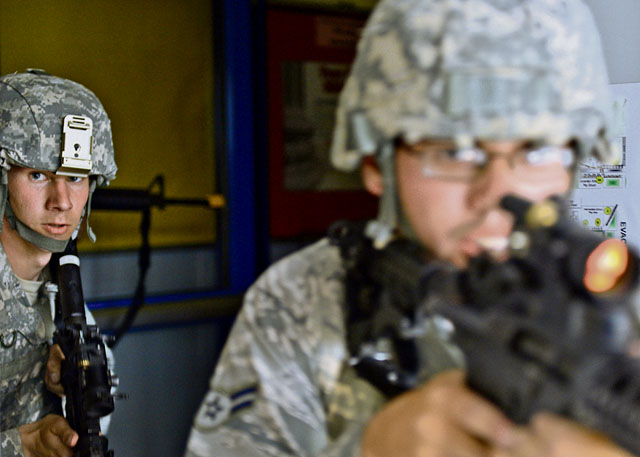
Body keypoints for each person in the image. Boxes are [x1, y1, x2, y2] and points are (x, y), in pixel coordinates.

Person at [185, 0, 638, 456]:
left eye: (538, 152)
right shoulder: (305, 298)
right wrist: (371, 448)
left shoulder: (614, 301)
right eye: (456, 152)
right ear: (376, 164)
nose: (499, 192)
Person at [0, 69, 118, 457]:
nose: (62, 201)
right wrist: (22, 446)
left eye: (76, 177)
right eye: (38, 175)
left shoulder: (66, 296)